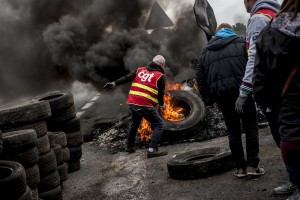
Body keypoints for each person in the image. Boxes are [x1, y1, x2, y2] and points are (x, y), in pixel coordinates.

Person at [196, 23, 263, 178]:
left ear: (217, 34)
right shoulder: (241, 43)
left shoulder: (205, 52)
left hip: (222, 96)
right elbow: (254, 65)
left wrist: (207, 99)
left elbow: (200, 78)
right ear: (231, 31)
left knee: (233, 131)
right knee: (251, 128)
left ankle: (240, 169)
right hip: (243, 93)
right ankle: (253, 166)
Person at [253, 0, 300, 198]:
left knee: (294, 159)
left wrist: (273, 106)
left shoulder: (271, 33)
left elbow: (261, 86)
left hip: (292, 121)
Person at [103, 55, 168, 158]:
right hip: (145, 105)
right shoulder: (160, 76)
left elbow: (127, 77)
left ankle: (129, 147)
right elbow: (160, 94)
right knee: (159, 125)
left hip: (133, 103)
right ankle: (152, 150)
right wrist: (162, 104)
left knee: (135, 123)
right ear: (161, 64)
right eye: (163, 65)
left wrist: (114, 83)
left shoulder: (140, 70)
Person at [236, 0, 280, 142]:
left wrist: (244, 91)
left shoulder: (258, 18)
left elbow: (255, 56)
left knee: (282, 136)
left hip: (271, 87)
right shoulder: (276, 14)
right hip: (284, 83)